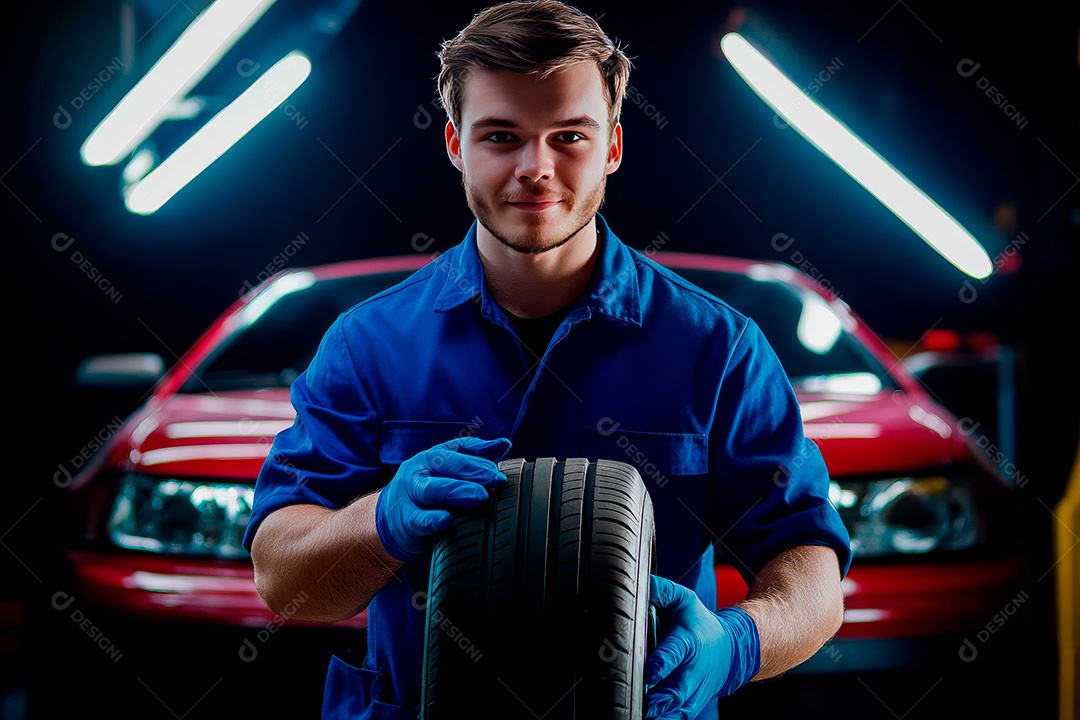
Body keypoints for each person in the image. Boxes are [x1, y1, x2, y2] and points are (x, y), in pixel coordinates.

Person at [244, 1, 852, 718]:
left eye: (569, 136)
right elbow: (282, 578)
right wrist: (379, 523)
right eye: (502, 135)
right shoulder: (366, 345)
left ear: (614, 147)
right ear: (454, 144)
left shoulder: (717, 349)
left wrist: (740, 644)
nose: (536, 168)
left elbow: (809, 567)